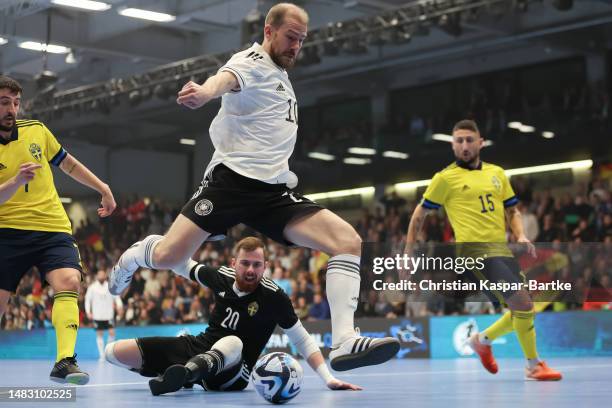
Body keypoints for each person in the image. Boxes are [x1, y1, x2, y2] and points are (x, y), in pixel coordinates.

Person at [109, 2, 399, 370]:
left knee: (347, 242)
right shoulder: (251, 61)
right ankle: (136, 254)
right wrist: (205, 92)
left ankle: (343, 342)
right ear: (269, 31)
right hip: (231, 183)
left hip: (273, 191)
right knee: (169, 256)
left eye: (302, 40)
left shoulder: (281, 74)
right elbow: (225, 79)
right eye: (291, 37)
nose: (296, 46)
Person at [404, 119, 562, 381]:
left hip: (502, 251)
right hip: (474, 254)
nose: (464, 145)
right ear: (453, 146)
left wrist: (520, 233)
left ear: (481, 142)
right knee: (522, 303)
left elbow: (512, 209)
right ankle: (534, 366)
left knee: (524, 309)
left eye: (469, 140)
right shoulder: (444, 179)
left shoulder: (497, 173)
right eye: (459, 141)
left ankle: (482, 340)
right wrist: (408, 252)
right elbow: (419, 215)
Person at [105, 237, 362, 395]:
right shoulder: (221, 278)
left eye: (257, 265)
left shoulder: (274, 297)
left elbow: (303, 340)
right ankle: (182, 374)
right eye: (245, 263)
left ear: (265, 267)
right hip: (198, 349)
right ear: (233, 263)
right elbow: (182, 265)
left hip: (234, 373)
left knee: (233, 342)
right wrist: (159, 247)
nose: (251, 270)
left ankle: (186, 376)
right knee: (113, 352)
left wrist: (329, 379)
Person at [0, 75, 116, 384]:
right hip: (6, 231)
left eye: (15, 102)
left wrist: (102, 187)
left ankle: (64, 361)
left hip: (51, 227)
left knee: (69, 280)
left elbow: (68, 164)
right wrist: (14, 182)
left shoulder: (36, 131)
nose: (11, 109)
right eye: (4, 103)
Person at [84, 269, 123, 360]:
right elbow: (87, 300)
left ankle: (108, 353)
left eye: (103, 274)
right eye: (99, 274)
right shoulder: (92, 287)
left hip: (109, 314)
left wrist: (120, 306)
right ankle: (102, 355)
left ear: (105, 276)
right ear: (97, 276)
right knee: (99, 334)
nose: (101, 276)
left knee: (112, 333)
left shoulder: (110, 287)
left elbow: (116, 297)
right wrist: (88, 312)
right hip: (97, 315)